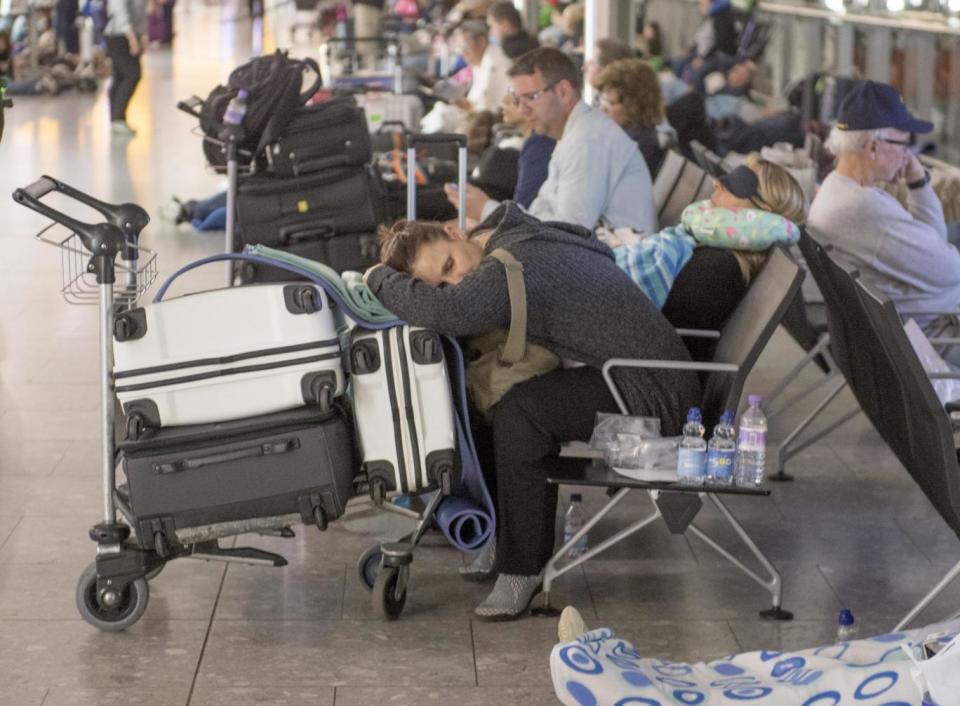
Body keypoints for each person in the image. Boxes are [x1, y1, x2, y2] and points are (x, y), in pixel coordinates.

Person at [368, 203, 701, 621]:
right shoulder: (516, 232)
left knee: (522, 414)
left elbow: (448, 313)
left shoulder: (509, 267)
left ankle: (522, 569)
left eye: (451, 264)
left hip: (655, 404)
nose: (457, 280)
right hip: (654, 378)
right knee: (494, 401)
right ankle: (503, 532)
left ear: (454, 231)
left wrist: (376, 278)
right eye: (443, 282)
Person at [806, 80, 960, 365]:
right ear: (874, 147)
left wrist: (918, 182)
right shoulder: (864, 209)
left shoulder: (837, 189)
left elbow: (934, 243)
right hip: (936, 338)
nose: (909, 155)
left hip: (906, 331)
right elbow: (952, 270)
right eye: (904, 145)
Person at [448, 47, 656, 233]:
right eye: (517, 100)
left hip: (616, 267)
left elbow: (567, 233)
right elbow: (540, 211)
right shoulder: (573, 135)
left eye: (531, 97)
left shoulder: (586, 141)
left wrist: (488, 212)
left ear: (564, 92)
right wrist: (490, 217)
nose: (522, 109)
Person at [421, 20, 512, 133]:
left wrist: (467, 108)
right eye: (459, 48)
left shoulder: (494, 63)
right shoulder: (479, 63)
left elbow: (488, 110)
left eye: (465, 46)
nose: (462, 52)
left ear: (482, 42)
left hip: (487, 124)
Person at [595, 58, 664, 173]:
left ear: (634, 106)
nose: (602, 109)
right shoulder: (639, 135)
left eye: (611, 103)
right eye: (602, 100)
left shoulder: (631, 148)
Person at [104, 0, 148, 136]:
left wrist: (142, 34)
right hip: (120, 35)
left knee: (120, 76)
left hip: (130, 34)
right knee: (132, 74)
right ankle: (117, 118)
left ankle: (117, 119)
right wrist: (132, 38)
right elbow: (119, 11)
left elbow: (140, 11)